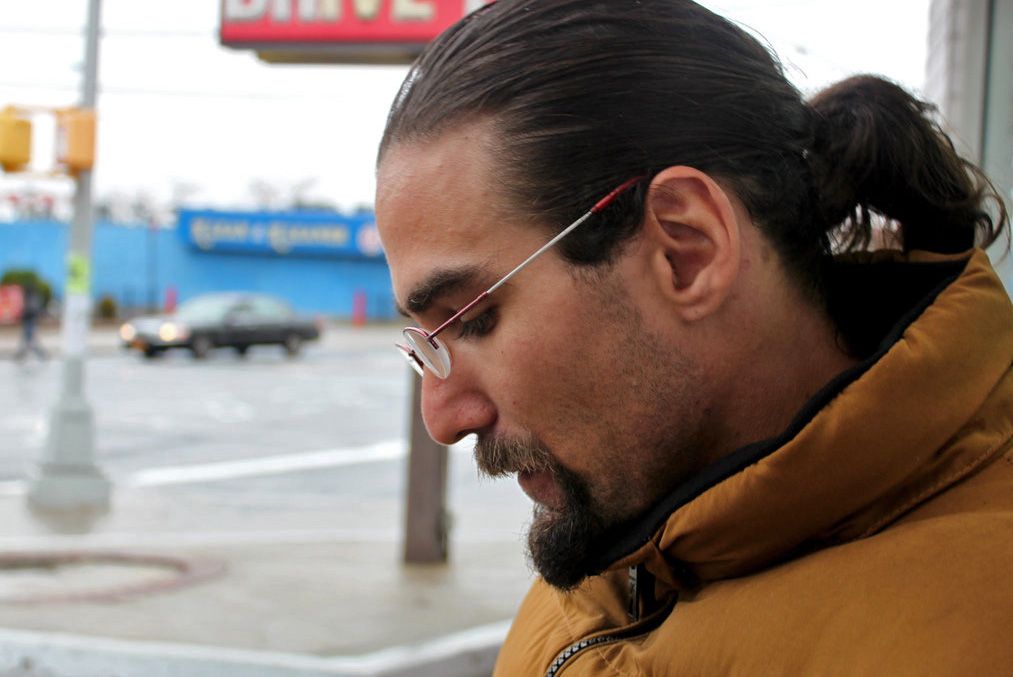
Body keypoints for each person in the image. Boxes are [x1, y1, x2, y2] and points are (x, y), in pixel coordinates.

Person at [374, 1, 1013, 674]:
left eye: (469, 318)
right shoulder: (628, 530)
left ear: (687, 249)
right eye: (426, 343)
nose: (442, 418)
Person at [15, 279, 48, 361]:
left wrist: (24, 314)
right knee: (28, 340)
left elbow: (31, 310)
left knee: (29, 340)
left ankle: (39, 355)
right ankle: (22, 355)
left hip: (30, 321)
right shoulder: (33, 297)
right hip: (30, 321)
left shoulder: (31, 298)